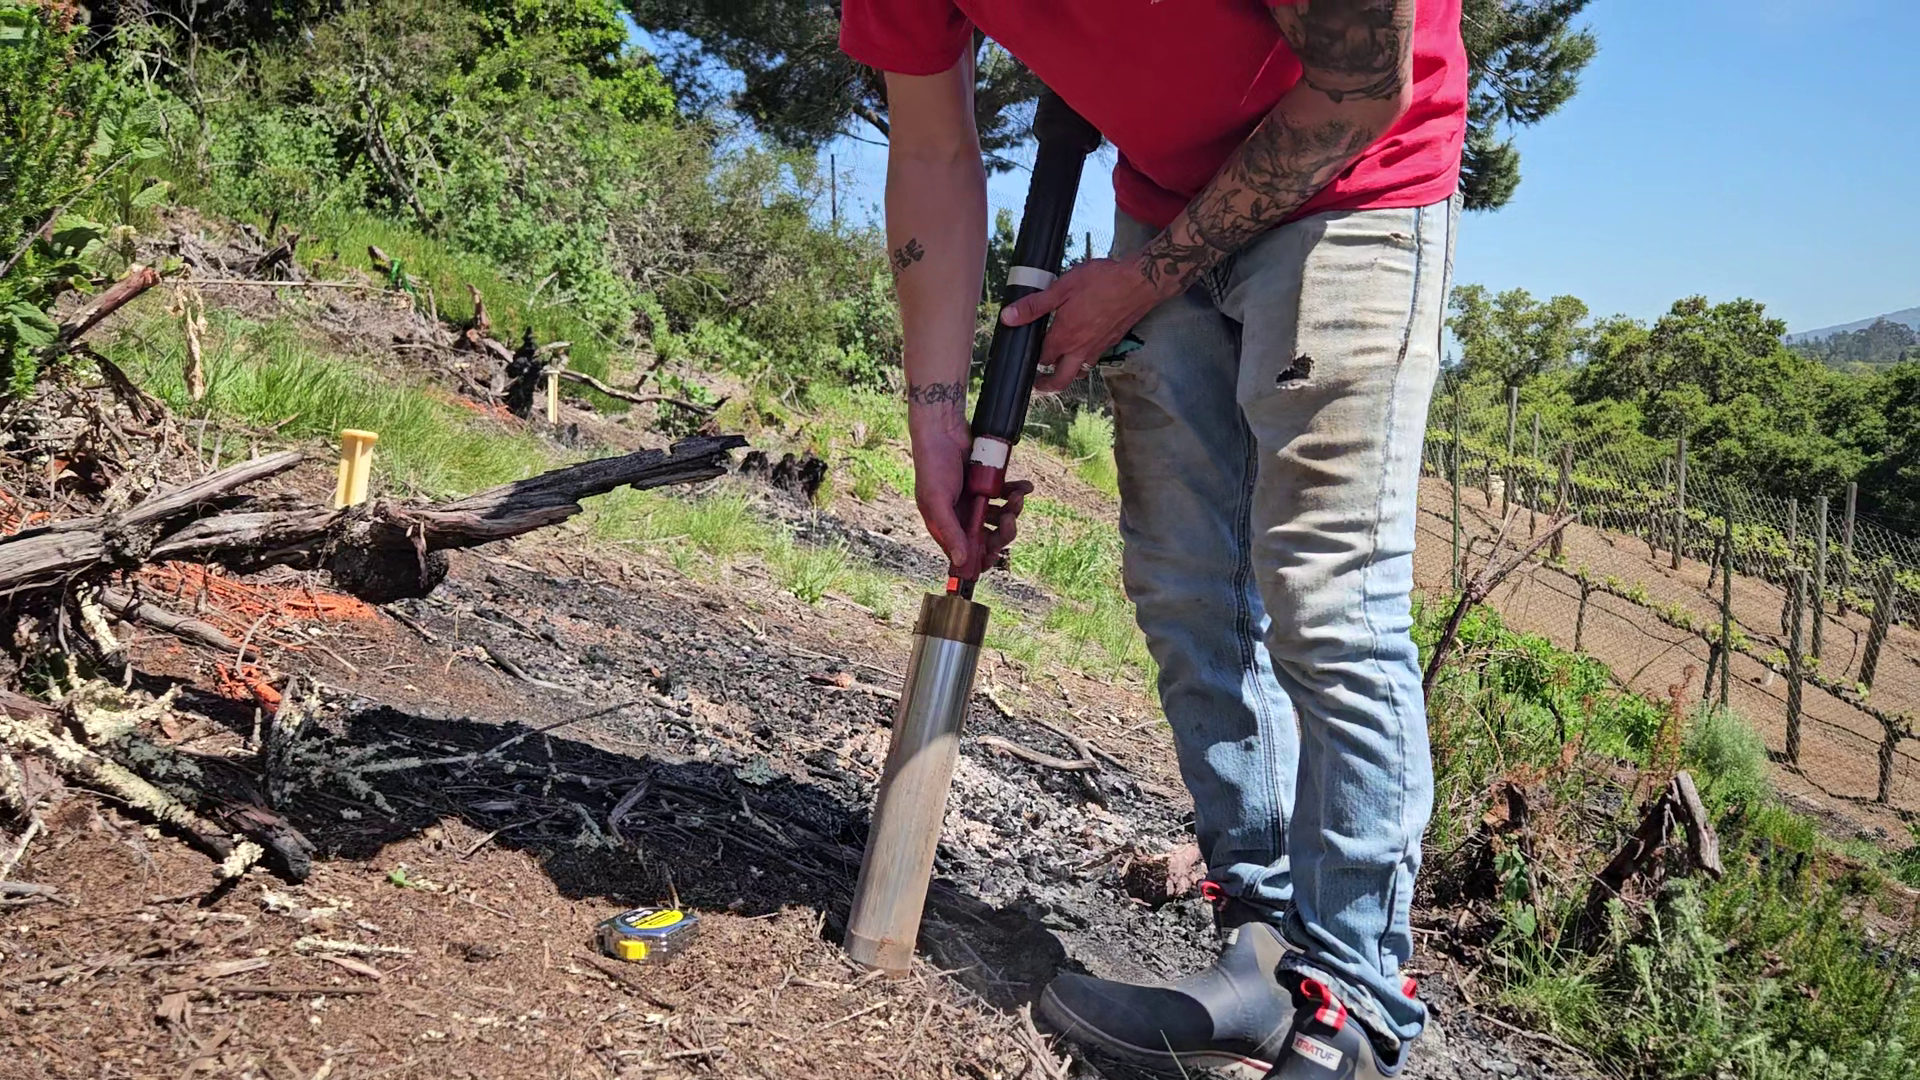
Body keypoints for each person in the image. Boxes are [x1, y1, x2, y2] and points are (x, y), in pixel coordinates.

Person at [841, 2, 1466, 1076]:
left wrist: (1144, 276)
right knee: (1186, 589)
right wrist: (938, 424)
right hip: (1166, 196)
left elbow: (1365, 83)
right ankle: (1267, 955)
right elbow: (935, 148)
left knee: (1329, 596)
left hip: (1361, 182)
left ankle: (1355, 1004)